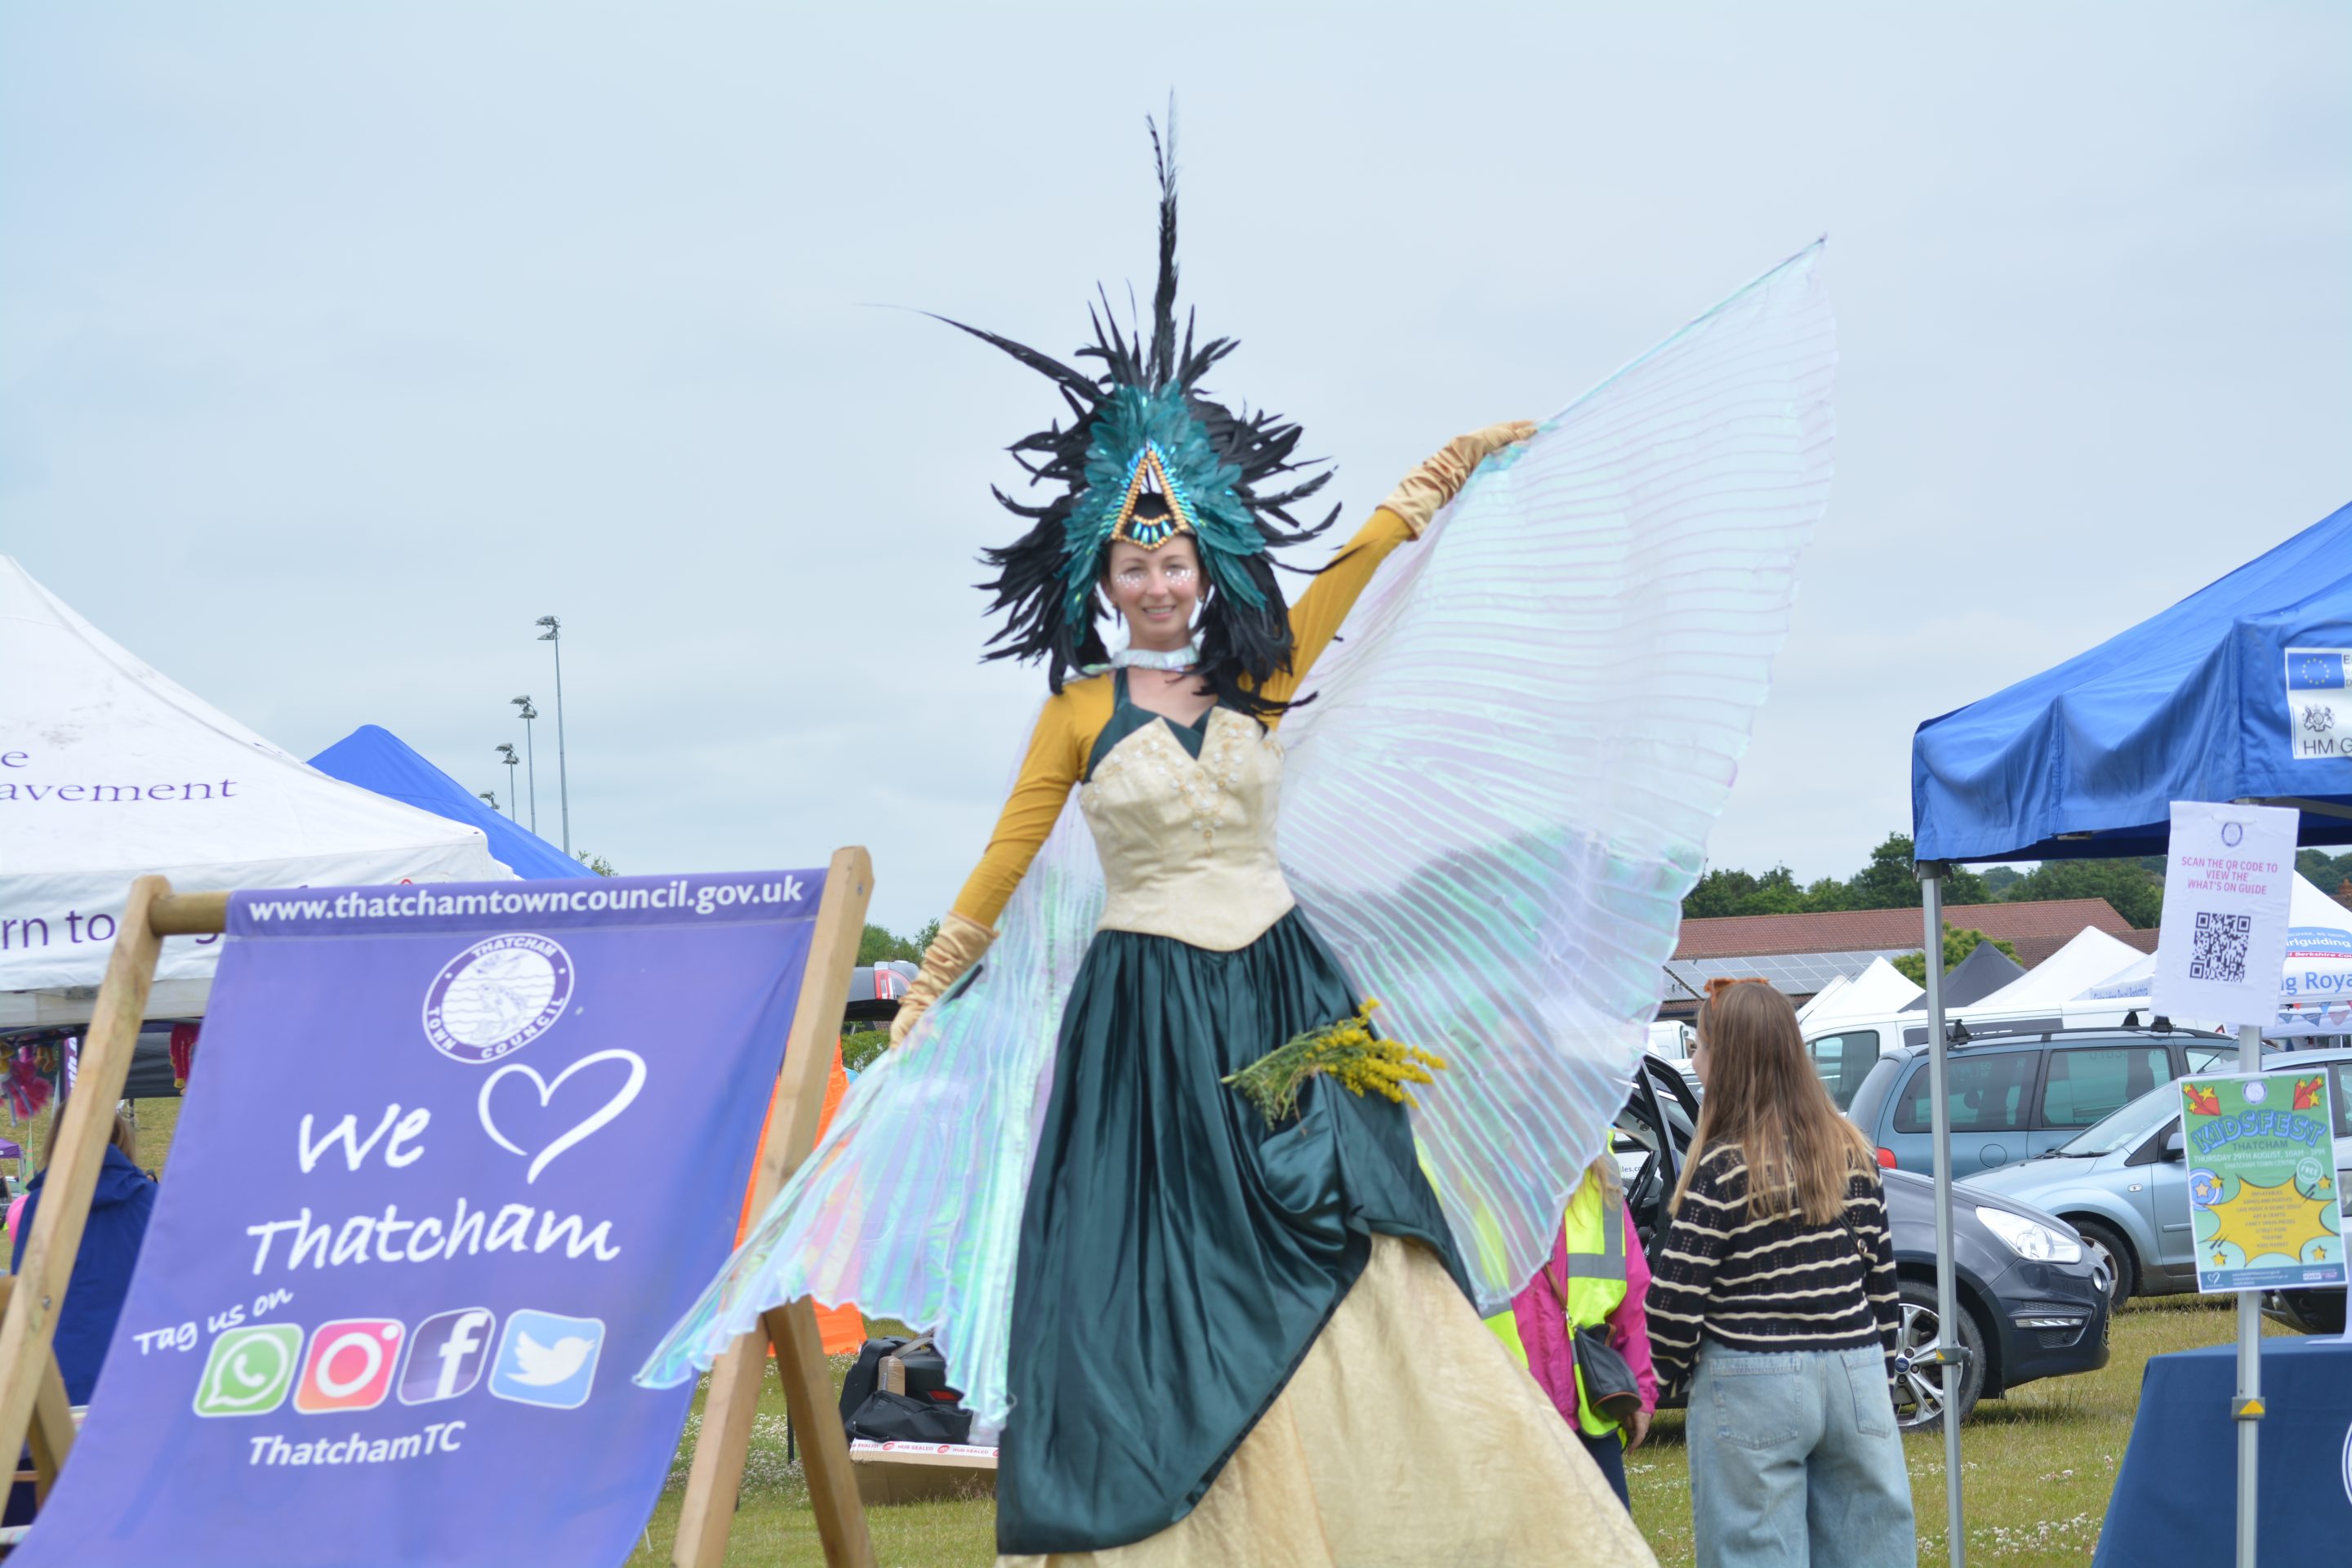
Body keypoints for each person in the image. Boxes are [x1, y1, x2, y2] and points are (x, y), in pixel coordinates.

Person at [642, 118, 1838, 1568]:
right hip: (1145, 1022)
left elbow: (1343, 580)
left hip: (1286, 999)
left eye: (1174, 559)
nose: (1156, 581)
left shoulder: (1254, 680)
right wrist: (932, 992)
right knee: (1150, 1278)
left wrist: (1438, 476)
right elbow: (1005, 868)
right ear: (1102, 576)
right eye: (1133, 563)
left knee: (1365, 1241)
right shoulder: (1077, 715)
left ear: (1204, 563)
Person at [1646, 979, 1913, 1568]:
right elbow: (1882, 1286)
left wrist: (1659, 1381)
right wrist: (1881, 1372)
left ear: (1728, 1059)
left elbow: (1674, 1304)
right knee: (1871, 1552)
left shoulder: (1721, 1167)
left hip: (1751, 1379)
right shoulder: (1854, 1153)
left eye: (1698, 1047)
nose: (1693, 1060)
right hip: (1855, 1373)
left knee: (1756, 1554)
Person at [1486, 1153, 1658, 1514]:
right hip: (1503, 1419)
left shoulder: (1599, 1177)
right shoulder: (1465, 1175)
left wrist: (1641, 1391)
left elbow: (1633, 1299)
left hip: (1588, 1417)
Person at [11, 1111, 158, 1404]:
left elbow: (23, 1296)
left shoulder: (41, 1204)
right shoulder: (152, 1199)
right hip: (144, 1363)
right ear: (122, 1138)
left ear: (56, 1139)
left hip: (63, 1370)